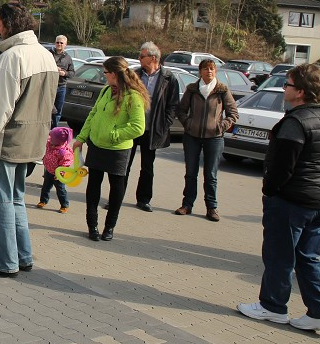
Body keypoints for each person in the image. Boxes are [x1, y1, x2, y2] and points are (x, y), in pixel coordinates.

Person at [238, 64, 320, 332]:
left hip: (292, 201)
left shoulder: (295, 122)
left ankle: (272, 306)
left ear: (302, 92)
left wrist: (270, 191)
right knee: (308, 257)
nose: (284, 88)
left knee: (278, 255)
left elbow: (283, 168)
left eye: (288, 84)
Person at [0, 4, 58, 276]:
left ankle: (4, 261)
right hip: (31, 141)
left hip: (7, 141)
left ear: (8, 24)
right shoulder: (46, 56)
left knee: (2, 201)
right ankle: (22, 255)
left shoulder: (11, 58)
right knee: (16, 198)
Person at [73, 56, 148, 242]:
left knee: (116, 188)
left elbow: (138, 127)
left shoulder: (133, 96)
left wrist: (114, 135)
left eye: (105, 72)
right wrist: (81, 138)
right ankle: (93, 226)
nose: (103, 75)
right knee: (93, 187)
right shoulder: (106, 90)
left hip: (118, 150)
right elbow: (93, 114)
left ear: (114, 73)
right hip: (97, 146)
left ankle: (109, 227)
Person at [175, 59, 238, 221]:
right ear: (200, 71)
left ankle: (211, 207)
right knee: (190, 173)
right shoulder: (192, 89)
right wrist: (188, 124)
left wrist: (220, 126)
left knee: (210, 175)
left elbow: (233, 114)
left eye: (211, 69)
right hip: (192, 137)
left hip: (214, 138)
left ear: (215, 71)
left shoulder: (222, 90)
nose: (209, 72)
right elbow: (181, 110)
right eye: (205, 69)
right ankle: (187, 204)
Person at [126, 42, 180, 212]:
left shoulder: (169, 78)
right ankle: (116, 196)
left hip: (152, 129)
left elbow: (173, 105)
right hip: (132, 126)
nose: (139, 59)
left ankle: (143, 200)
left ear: (153, 58)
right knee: (124, 164)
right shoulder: (135, 74)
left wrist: (164, 124)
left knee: (147, 167)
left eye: (142, 56)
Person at [37, 126, 73, 213]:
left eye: (52, 137)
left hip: (58, 174)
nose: (50, 138)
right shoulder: (50, 143)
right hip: (49, 170)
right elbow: (46, 137)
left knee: (60, 190)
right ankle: (43, 201)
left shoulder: (63, 152)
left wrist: (60, 173)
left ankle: (64, 205)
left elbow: (65, 164)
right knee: (45, 187)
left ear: (58, 141)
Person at [50, 35, 75, 127]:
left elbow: (72, 73)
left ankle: (54, 130)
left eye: (61, 43)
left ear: (65, 44)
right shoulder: (49, 54)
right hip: (49, 86)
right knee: (46, 109)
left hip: (61, 87)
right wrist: (53, 68)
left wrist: (64, 73)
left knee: (57, 111)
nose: (59, 44)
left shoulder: (68, 58)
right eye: (57, 42)